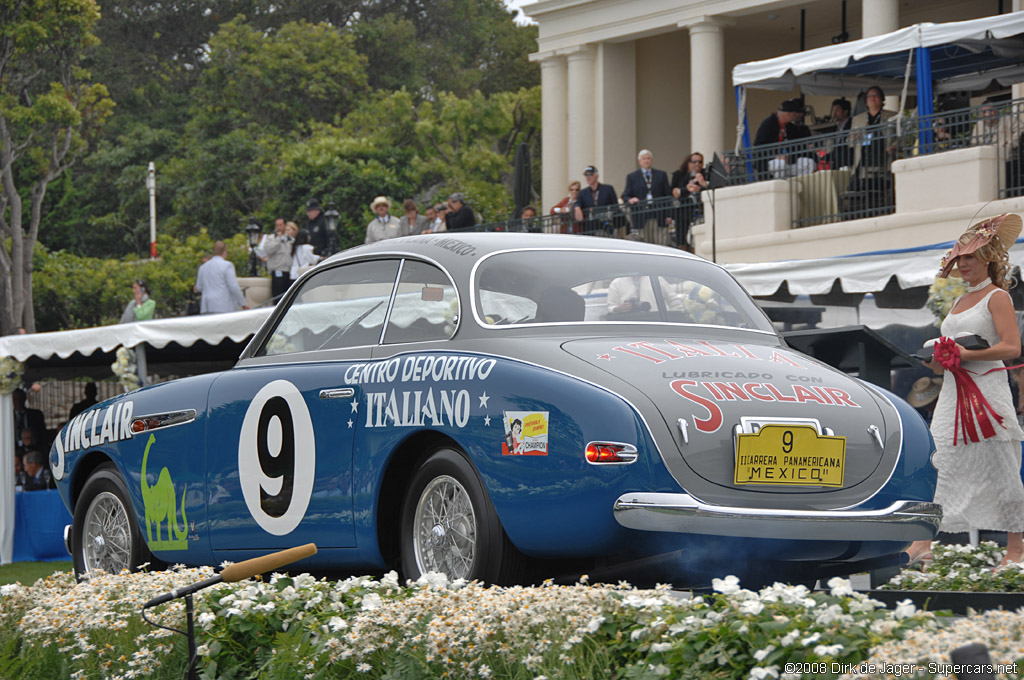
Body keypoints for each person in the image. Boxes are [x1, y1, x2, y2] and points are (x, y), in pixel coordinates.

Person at [906, 213, 1024, 568]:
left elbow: (1012, 347)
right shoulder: (958, 302)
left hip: (988, 392)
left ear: (987, 258)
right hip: (954, 392)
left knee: (1002, 468)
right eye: (960, 257)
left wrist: (968, 353)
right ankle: (922, 541)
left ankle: (1016, 551)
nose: (963, 263)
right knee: (937, 459)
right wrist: (938, 362)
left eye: (969, 256)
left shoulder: (997, 296)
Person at [845, 86, 897, 212]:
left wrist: (895, 145)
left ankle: (885, 210)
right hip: (864, 161)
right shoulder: (858, 119)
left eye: (876, 95)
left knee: (885, 187)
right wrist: (853, 138)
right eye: (869, 96)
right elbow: (849, 143)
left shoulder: (892, 116)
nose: (872, 98)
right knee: (866, 190)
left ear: (882, 99)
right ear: (866, 101)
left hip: (884, 160)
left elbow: (901, 135)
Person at [752, 98, 813, 178]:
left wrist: (789, 156)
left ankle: (801, 188)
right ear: (789, 114)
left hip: (788, 161)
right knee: (780, 164)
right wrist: (775, 156)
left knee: (808, 163)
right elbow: (758, 146)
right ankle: (781, 189)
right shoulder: (768, 124)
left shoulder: (790, 127)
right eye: (795, 113)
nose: (796, 116)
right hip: (769, 162)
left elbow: (796, 146)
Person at [622, 149, 672, 240]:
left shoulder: (661, 175)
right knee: (644, 242)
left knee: (661, 242)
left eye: (648, 158)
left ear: (651, 160)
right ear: (639, 161)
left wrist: (669, 215)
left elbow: (667, 196)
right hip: (641, 216)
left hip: (659, 214)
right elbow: (625, 194)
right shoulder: (632, 177)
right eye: (644, 158)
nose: (646, 160)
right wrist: (630, 200)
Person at [195, 241, 247, 314]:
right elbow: (233, 286)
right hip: (223, 306)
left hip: (206, 306)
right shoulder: (227, 265)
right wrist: (243, 303)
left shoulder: (203, 267)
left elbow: (199, 287)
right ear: (224, 251)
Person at [670, 152, 707, 251]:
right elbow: (675, 192)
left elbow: (709, 189)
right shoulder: (679, 175)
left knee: (698, 238)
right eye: (694, 162)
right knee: (682, 239)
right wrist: (687, 189)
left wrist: (701, 185)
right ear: (688, 163)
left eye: (700, 162)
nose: (697, 165)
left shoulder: (705, 174)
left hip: (700, 211)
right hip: (683, 211)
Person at [574, 166, 619, 236]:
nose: (588, 177)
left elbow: (615, 206)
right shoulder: (583, 193)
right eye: (586, 175)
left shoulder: (608, 189)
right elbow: (577, 203)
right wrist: (577, 208)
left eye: (590, 175)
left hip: (606, 225)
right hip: (591, 228)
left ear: (597, 176)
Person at [257, 217, 294, 298]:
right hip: (278, 269)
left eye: (281, 225)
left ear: (285, 225)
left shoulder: (290, 239)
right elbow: (268, 250)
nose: (279, 227)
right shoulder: (271, 238)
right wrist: (278, 240)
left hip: (288, 270)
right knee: (278, 295)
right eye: (277, 225)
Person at [828, 98, 853, 169]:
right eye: (834, 110)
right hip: (837, 160)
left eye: (837, 110)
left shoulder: (852, 124)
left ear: (845, 111)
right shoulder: (835, 127)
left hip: (848, 159)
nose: (834, 113)